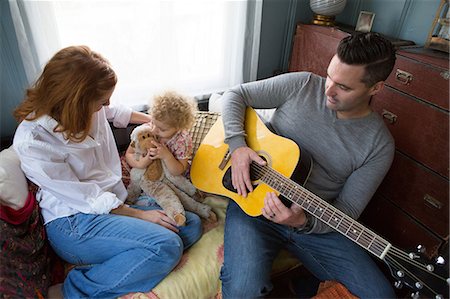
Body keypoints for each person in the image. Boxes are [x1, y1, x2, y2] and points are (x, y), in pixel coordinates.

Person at [12, 46, 202, 299]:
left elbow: (117, 112)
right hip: (74, 221)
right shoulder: (33, 140)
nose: (107, 104)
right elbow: (87, 197)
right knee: (167, 245)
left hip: (113, 205)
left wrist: (159, 125)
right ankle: (73, 290)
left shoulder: (92, 109)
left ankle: (117, 259)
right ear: (76, 99)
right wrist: (140, 216)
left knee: (190, 224)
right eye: (102, 100)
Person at [219, 32, 397, 298]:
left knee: (382, 296)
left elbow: (346, 210)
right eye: (329, 76)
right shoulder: (302, 84)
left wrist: (303, 221)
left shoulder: (379, 145)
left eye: (344, 87)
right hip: (254, 205)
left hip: (315, 224)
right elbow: (235, 95)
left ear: (375, 88)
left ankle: (304, 288)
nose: (329, 90)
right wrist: (238, 147)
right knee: (243, 290)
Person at [125, 91, 215, 222]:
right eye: (153, 123)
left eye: (162, 129)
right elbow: (129, 153)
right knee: (143, 190)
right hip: (149, 176)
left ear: (178, 128)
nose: (155, 130)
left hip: (173, 179)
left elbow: (179, 170)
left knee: (178, 197)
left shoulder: (182, 140)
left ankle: (190, 210)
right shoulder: (146, 130)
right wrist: (140, 164)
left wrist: (166, 156)